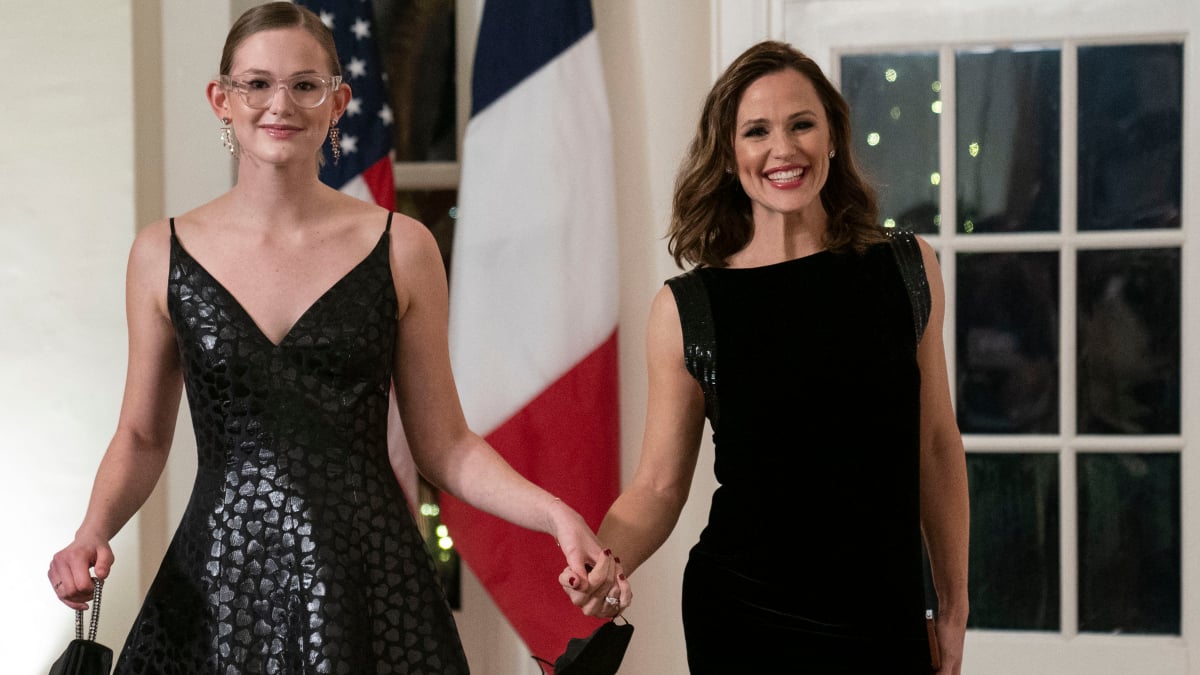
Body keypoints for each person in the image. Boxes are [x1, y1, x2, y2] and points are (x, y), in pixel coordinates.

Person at [47, 4, 628, 673]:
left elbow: (445, 445)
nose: (279, 104)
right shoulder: (161, 252)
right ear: (222, 100)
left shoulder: (402, 247)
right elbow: (143, 437)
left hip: (370, 586)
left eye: (304, 85)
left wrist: (557, 513)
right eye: (256, 84)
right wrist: (91, 531)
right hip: (217, 587)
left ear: (338, 101)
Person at [564, 40, 969, 673]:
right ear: (730, 156)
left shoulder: (907, 268)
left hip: (884, 615)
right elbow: (659, 486)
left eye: (801, 124)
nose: (783, 149)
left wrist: (953, 601)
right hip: (745, 621)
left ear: (832, 135)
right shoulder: (688, 308)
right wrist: (603, 562)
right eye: (757, 131)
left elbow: (938, 446)